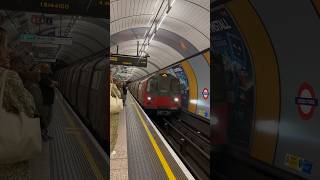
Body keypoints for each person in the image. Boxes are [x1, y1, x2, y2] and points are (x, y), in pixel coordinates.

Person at [0, 27, 36, 180]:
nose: (9, 51)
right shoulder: (7, 78)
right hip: (6, 163)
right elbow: (29, 108)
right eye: (5, 46)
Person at [39, 63, 58, 140]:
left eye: (49, 68)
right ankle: (43, 134)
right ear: (44, 69)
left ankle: (44, 133)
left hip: (48, 101)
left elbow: (52, 83)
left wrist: (53, 82)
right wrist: (54, 83)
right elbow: (51, 85)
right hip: (45, 101)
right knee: (45, 118)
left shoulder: (46, 76)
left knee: (48, 117)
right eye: (47, 68)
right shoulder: (43, 76)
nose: (49, 69)